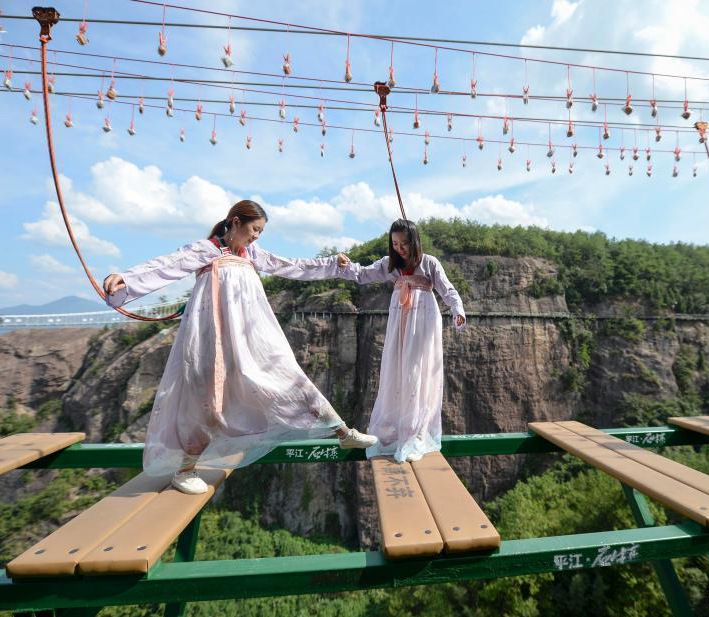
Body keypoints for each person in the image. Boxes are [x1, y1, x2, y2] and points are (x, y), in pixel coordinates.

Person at [103, 200, 377, 494]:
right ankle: (185, 469)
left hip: (254, 336)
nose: (256, 236)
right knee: (208, 398)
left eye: (260, 231)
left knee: (289, 377)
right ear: (235, 222)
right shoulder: (207, 250)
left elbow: (292, 266)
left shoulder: (252, 254)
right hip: (214, 337)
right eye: (254, 229)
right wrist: (127, 279)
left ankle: (343, 432)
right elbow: (167, 265)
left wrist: (330, 263)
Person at [336, 219, 466, 462]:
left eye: (404, 243)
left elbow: (448, 291)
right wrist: (346, 264)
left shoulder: (429, 263)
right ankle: (396, 431)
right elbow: (363, 274)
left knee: (417, 372)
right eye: (395, 243)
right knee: (397, 370)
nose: (400, 248)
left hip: (423, 321)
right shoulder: (389, 264)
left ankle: (415, 433)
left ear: (414, 241)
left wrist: (457, 311)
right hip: (400, 322)